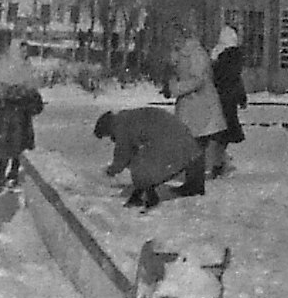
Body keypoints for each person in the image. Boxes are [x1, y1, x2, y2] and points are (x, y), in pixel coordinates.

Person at [163, 21, 226, 197]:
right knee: (191, 145)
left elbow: (198, 80)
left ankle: (195, 185)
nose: (172, 39)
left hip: (202, 107)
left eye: (175, 35)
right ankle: (192, 183)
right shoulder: (180, 53)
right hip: (192, 107)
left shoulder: (196, 52)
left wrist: (176, 88)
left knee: (195, 145)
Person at [94, 108, 203, 209]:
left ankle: (148, 197)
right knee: (142, 161)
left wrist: (111, 171)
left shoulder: (120, 125)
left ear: (107, 128)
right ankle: (142, 194)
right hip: (183, 139)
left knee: (140, 164)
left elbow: (123, 154)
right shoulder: (126, 117)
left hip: (173, 142)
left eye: (107, 135)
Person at [0, 40, 44, 191]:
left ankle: (13, 175)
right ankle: (0, 177)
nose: (25, 54)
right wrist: (21, 90)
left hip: (22, 113)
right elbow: (1, 89)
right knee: (6, 147)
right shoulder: (5, 64)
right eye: (22, 51)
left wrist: (30, 93)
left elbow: (32, 85)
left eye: (26, 51)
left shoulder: (26, 65)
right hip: (7, 113)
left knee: (20, 147)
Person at [210, 25, 248, 177]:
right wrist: (241, 97)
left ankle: (218, 162)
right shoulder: (233, 56)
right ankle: (219, 162)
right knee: (223, 133)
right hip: (228, 98)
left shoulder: (217, 54)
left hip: (218, 97)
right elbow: (236, 79)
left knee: (219, 133)